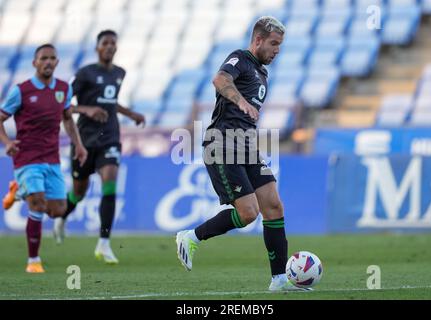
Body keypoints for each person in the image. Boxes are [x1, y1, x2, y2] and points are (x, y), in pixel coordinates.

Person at [176, 16, 306, 291]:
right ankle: (191, 237)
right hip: (222, 144)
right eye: (273, 43)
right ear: (258, 39)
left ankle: (279, 280)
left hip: (246, 146)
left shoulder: (262, 72)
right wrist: (241, 101)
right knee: (248, 214)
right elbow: (220, 79)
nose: (277, 50)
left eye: (280, 45)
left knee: (273, 206)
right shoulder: (240, 58)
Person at [52, 30, 145, 264]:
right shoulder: (85, 74)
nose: (110, 46)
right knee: (79, 192)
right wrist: (87, 110)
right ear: (97, 47)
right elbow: (64, 105)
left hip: (110, 137)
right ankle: (62, 217)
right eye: (105, 43)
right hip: (84, 140)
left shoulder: (119, 73)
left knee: (110, 181)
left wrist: (130, 113)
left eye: (113, 43)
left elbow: (111, 102)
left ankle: (104, 242)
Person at [0, 44, 87, 273]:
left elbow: (67, 119)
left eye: (52, 58)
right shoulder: (21, 90)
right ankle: (33, 261)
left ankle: (18, 190)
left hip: (52, 158)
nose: (48, 62)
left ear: (57, 62)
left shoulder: (63, 89)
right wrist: (8, 143)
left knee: (58, 210)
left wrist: (78, 145)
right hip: (26, 157)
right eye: (43, 58)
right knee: (37, 204)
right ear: (34, 62)